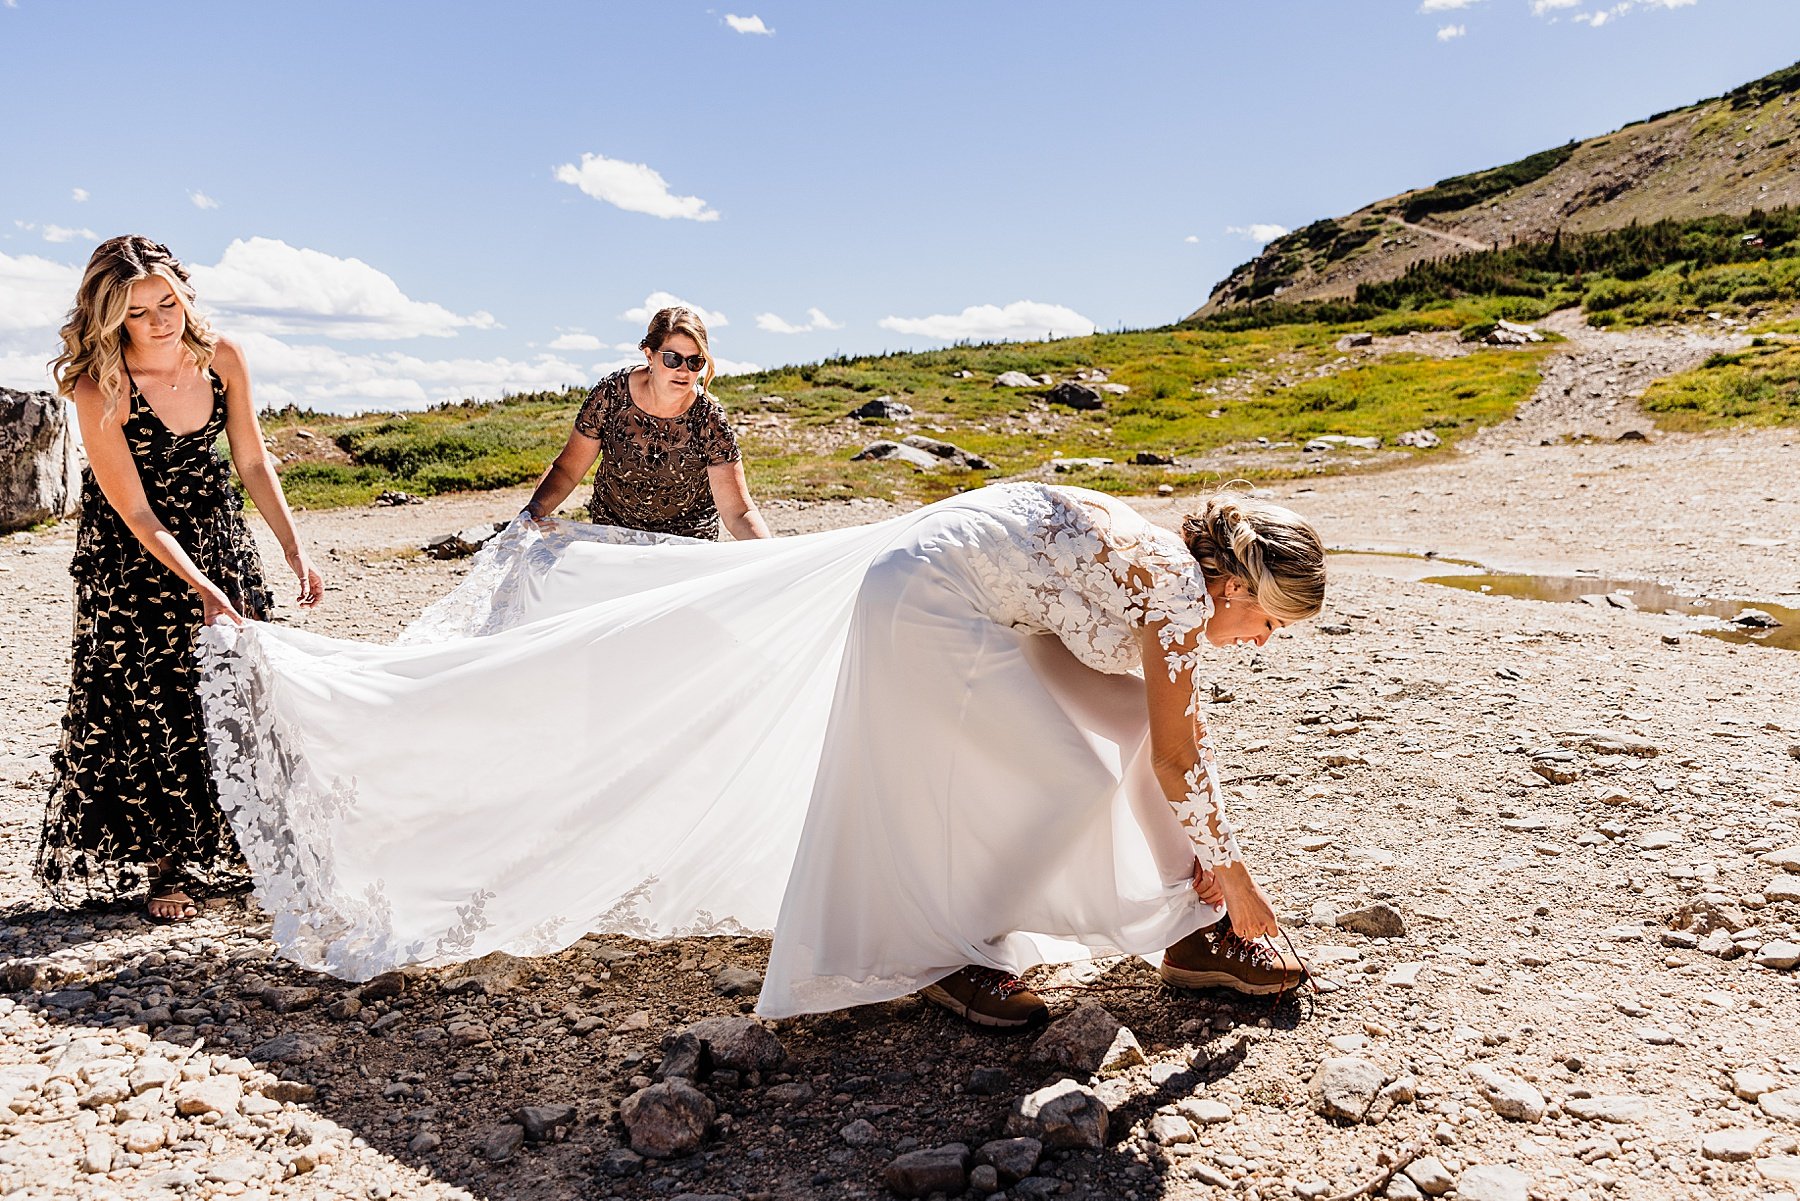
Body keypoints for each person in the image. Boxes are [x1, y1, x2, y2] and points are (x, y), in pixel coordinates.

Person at [195, 481, 1323, 1025]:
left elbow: (1159, 730)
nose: (1262, 643)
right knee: (1074, 768)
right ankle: (948, 950)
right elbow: (1183, 758)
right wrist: (1251, 881)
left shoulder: (1158, 562)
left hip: (953, 594)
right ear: (1234, 584)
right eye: (1270, 622)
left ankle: (1185, 931)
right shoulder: (1177, 595)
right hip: (931, 606)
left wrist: (1211, 849)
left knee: (1109, 738)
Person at [35, 235, 324, 922]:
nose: (162, 320)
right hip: (134, 554)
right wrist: (197, 585)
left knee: (243, 682)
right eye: (140, 312)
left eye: (169, 301)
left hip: (217, 533)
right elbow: (134, 508)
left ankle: (253, 839)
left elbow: (251, 462)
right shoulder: (96, 384)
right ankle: (167, 861)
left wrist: (292, 545)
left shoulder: (223, 357)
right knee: (152, 693)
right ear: (113, 318)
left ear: (186, 294)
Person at [520, 305, 769, 541]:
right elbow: (567, 470)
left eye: (695, 361)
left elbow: (738, 512)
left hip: (687, 541)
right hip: (613, 533)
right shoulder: (611, 395)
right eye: (673, 359)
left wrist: (773, 555)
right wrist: (535, 509)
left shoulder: (709, 418)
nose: (684, 371)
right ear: (649, 355)